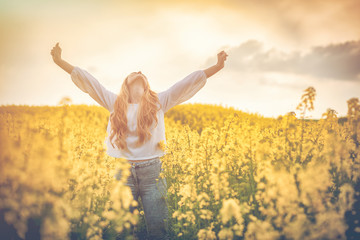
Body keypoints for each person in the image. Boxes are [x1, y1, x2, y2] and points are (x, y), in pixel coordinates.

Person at [50, 42, 228, 239]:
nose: (139, 71)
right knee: (122, 232)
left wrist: (217, 66)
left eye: (142, 74)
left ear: (146, 85)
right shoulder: (114, 103)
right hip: (123, 173)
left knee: (158, 231)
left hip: (153, 174)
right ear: (126, 83)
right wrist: (60, 61)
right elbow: (89, 82)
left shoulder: (160, 102)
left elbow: (188, 82)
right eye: (134, 73)